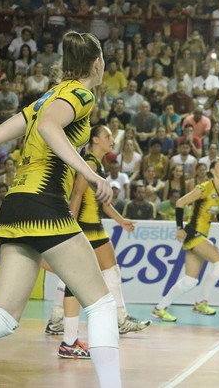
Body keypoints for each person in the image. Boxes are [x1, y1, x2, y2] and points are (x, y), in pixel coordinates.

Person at [0, 31, 120, 387]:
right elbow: (49, 127)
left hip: (14, 206)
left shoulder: (44, 98)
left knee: (3, 318)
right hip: (44, 204)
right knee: (101, 305)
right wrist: (91, 173)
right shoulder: (81, 94)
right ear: (97, 63)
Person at [54, 125, 150, 358]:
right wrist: (70, 227)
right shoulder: (88, 163)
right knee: (76, 281)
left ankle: (114, 321)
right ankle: (69, 332)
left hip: (94, 228)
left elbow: (103, 200)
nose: (112, 139)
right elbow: (77, 194)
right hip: (85, 229)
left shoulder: (96, 165)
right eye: (107, 136)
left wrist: (120, 220)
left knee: (107, 273)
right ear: (95, 140)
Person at [152, 159, 219, 322]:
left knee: (190, 281)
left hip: (201, 235)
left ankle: (160, 308)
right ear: (212, 171)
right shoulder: (203, 188)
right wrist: (179, 228)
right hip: (193, 233)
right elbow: (180, 203)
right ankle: (202, 303)